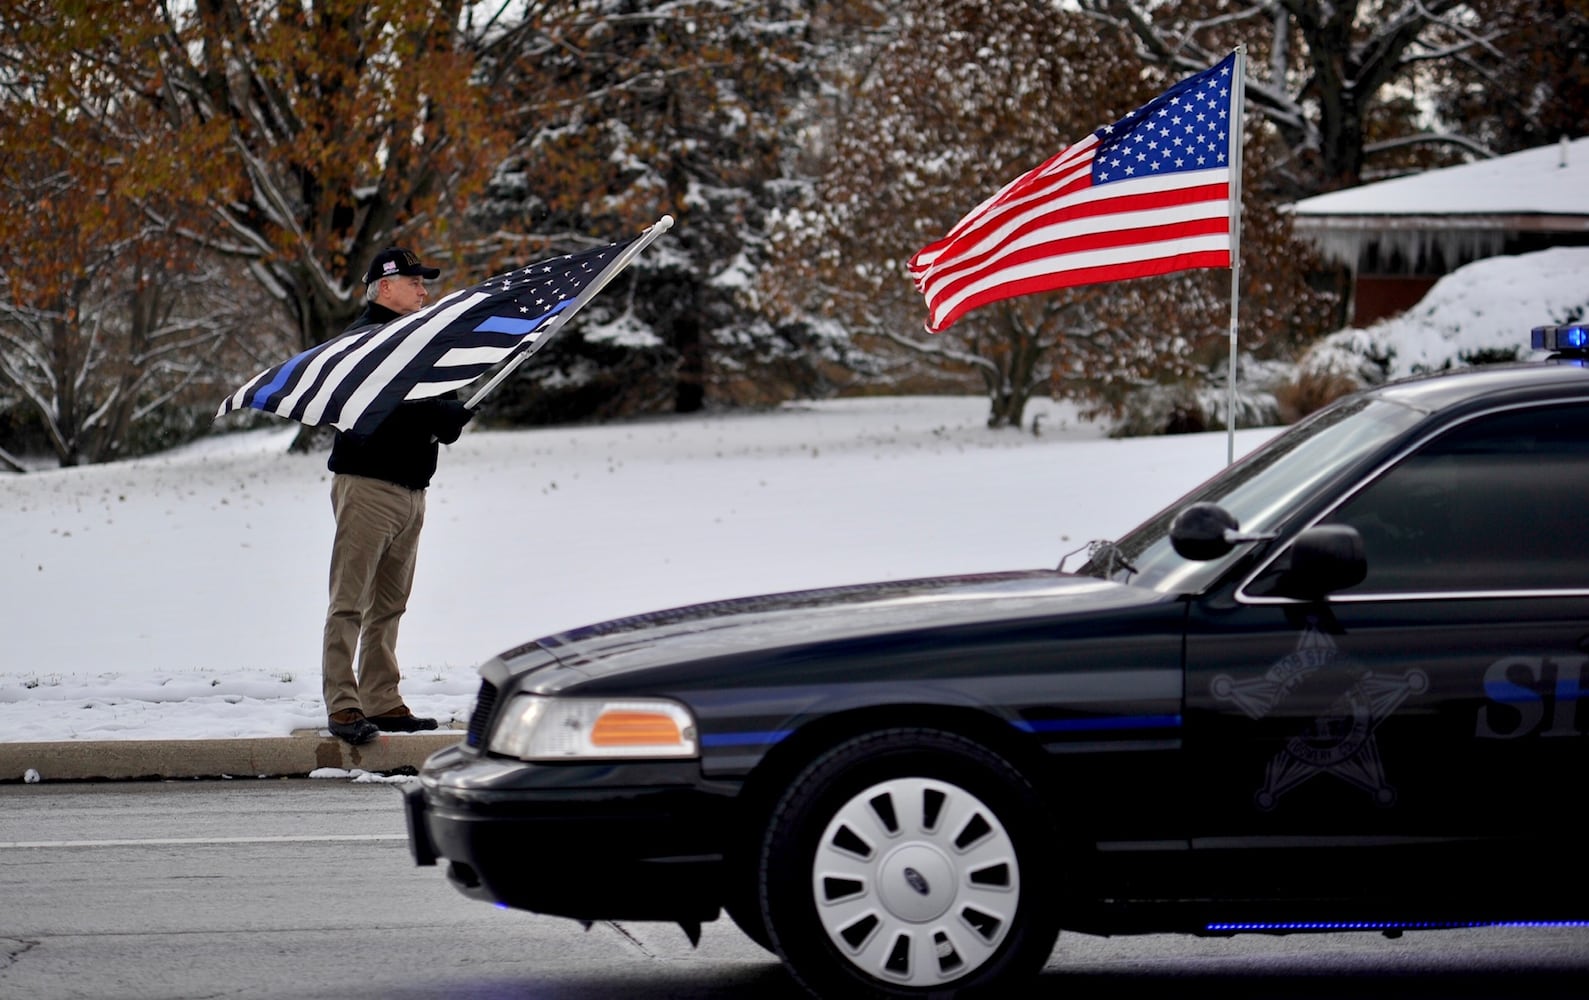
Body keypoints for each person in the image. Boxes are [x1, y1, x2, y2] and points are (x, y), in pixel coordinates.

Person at [322, 246, 474, 745]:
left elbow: (431, 399)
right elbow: (378, 400)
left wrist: (449, 413)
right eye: (415, 283)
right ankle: (344, 707)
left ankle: (382, 701)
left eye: (424, 283)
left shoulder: (418, 343)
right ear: (385, 287)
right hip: (367, 487)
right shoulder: (362, 341)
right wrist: (436, 416)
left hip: (411, 491)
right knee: (350, 602)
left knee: (390, 604)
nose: (424, 291)